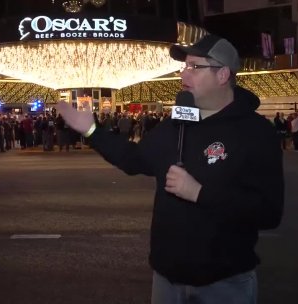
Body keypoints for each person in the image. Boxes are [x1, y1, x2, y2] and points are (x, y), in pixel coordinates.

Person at [57, 34, 284, 304]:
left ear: (223, 74)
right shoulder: (177, 122)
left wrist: (199, 193)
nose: (183, 75)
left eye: (194, 67)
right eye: (183, 67)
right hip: (167, 279)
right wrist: (92, 131)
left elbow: (268, 212)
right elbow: (134, 160)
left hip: (225, 282)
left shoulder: (255, 133)